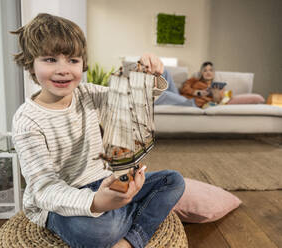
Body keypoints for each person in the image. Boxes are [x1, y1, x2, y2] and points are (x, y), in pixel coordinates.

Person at [11, 13, 185, 248]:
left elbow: (131, 100)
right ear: (30, 62)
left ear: (83, 63)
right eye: (50, 59)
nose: (64, 69)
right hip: (60, 202)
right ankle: (127, 217)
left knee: (173, 181)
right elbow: (45, 190)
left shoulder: (89, 94)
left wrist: (148, 76)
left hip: (102, 181)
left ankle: (127, 238)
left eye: (73, 60)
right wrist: (97, 203)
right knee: (99, 231)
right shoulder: (27, 121)